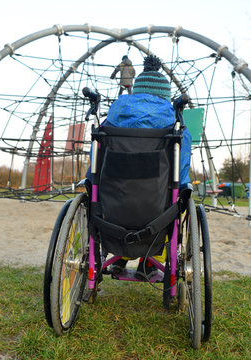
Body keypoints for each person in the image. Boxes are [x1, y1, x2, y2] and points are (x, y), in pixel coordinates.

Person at [89, 55, 192, 279]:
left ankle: (119, 258)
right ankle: (149, 262)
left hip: (110, 210)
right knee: (176, 198)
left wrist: (90, 181)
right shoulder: (174, 123)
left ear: (137, 90)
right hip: (157, 214)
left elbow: (95, 162)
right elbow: (182, 175)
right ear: (165, 95)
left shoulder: (114, 115)